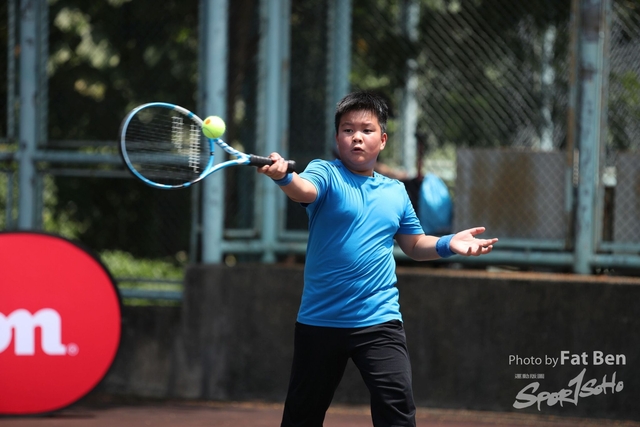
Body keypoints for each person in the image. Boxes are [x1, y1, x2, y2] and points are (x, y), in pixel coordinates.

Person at [257, 90, 498, 427]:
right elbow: (304, 189)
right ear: (337, 138)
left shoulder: (395, 192)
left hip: (379, 320)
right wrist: (283, 176)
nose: (357, 137)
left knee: (397, 410)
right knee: (302, 416)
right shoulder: (325, 173)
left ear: (382, 140)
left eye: (366, 130)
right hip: (320, 321)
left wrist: (448, 243)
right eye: (347, 130)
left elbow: (414, 244)